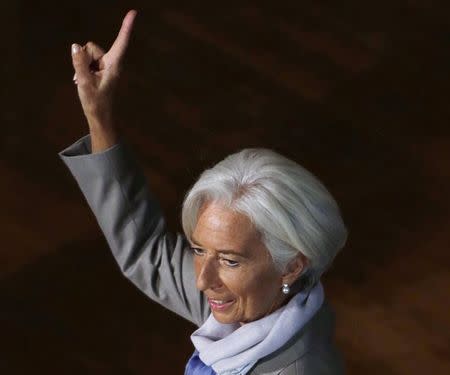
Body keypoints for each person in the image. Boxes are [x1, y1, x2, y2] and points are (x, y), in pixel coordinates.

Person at [59, 10, 348, 374]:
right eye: (198, 250)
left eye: (230, 260)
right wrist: (98, 115)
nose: (202, 280)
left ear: (292, 265)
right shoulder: (261, 303)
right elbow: (146, 250)